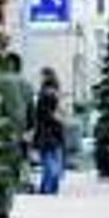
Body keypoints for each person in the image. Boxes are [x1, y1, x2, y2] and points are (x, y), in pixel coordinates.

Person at [0, 53, 36, 192]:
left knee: (4, 156)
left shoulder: (0, 81)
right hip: (22, 126)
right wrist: (31, 128)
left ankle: (7, 183)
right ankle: (21, 183)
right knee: (22, 157)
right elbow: (31, 108)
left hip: (3, 126)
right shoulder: (26, 84)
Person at [33, 67, 65, 195]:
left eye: (41, 75)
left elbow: (42, 114)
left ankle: (46, 189)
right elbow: (60, 113)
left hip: (46, 132)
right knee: (54, 159)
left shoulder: (45, 93)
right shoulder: (57, 92)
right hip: (57, 132)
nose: (39, 78)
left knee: (48, 162)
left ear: (46, 77)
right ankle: (51, 188)